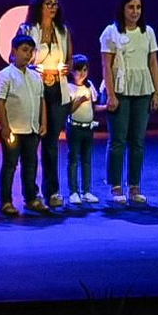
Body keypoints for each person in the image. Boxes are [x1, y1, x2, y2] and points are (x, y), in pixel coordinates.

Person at [100, 0, 158, 205]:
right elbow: (106, 65)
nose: (135, 11)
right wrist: (111, 94)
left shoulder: (148, 32)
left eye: (138, 7)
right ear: (122, 8)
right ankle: (115, 186)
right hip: (120, 90)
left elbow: (153, 62)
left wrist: (156, 92)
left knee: (137, 141)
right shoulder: (111, 32)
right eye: (131, 7)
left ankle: (134, 186)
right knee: (117, 140)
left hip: (142, 90)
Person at [24, 0, 72, 208]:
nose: (53, 7)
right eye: (48, 4)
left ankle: (52, 190)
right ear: (39, 6)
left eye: (55, 3)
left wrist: (64, 69)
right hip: (35, 92)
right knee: (31, 143)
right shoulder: (26, 29)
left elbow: (70, 61)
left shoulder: (62, 31)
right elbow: (16, 59)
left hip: (57, 92)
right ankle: (31, 194)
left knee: (51, 144)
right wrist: (39, 70)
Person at [0, 32, 49, 216]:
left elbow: (41, 100)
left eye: (31, 51)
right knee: (10, 165)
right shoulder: (5, 75)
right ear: (14, 51)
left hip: (32, 129)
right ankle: (6, 201)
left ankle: (31, 198)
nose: (28, 55)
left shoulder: (35, 76)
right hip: (14, 130)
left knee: (31, 164)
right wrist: (5, 126)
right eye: (24, 50)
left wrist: (43, 122)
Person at [64, 54, 102, 205]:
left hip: (88, 128)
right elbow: (68, 109)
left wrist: (107, 107)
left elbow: (94, 106)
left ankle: (86, 191)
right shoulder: (68, 87)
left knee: (87, 160)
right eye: (78, 71)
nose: (82, 74)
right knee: (73, 159)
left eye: (85, 70)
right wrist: (79, 100)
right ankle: (73, 191)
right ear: (71, 72)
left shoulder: (89, 86)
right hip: (74, 128)